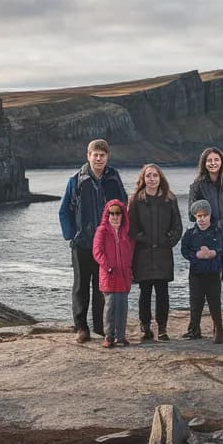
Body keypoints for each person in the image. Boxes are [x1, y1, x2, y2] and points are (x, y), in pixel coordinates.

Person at [58, 139, 128, 343]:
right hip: (82, 244)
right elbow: (65, 211)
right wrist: (72, 235)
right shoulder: (76, 180)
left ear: (107, 157)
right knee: (81, 287)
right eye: (95, 154)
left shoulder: (114, 178)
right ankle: (81, 327)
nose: (98, 158)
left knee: (102, 287)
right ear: (88, 156)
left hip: (106, 245)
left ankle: (100, 326)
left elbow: (123, 208)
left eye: (102, 155)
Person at [189, 146, 223, 337]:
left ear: (222, 162)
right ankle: (215, 326)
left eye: (216, 160)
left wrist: (222, 225)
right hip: (206, 242)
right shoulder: (197, 186)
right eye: (209, 160)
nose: (213, 163)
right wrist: (209, 223)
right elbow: (191, 213)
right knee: (211, 286)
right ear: (204, 163)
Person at [127, 163, 183, 342]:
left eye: (155, 175)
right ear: (143, 179)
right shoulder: (136, 199)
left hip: (163, 254)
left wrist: (168, 241)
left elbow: (178, 227)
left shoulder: (169, 199)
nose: (152, 179)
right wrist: (143, 239)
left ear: (160, 178)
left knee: (162, 293)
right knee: (144, 292)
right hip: (142, 254)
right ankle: (145, 328)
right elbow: (131, 227)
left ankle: (162, 328)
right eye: (148, 176)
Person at [180, 199, 223, 343]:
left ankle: (219, 331)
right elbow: (184, 250)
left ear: (209, 215)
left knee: (214, 302)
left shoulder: (218, 231)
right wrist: (196, 255)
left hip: (213, 273)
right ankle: (194, 330)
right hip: (196, 273)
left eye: (204, 215)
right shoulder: (190, 234)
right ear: (195, 217)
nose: (202, 219)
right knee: (195, 302)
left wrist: (213, 252)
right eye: (198, 216)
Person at [92, 199, 134, 348]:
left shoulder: (127, 232)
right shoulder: (101, 231)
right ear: (107, 214)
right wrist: (108, 266)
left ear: (123, 215)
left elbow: (131, 253)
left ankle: (121, 337)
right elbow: (97, 252)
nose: (115, 216)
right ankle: (109, 337)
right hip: (109, 275)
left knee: (122, 307)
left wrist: (129, 269)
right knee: (110, 307)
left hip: (123, 276)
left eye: (118, 213)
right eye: (112, 213)